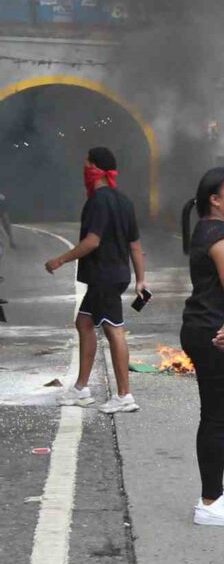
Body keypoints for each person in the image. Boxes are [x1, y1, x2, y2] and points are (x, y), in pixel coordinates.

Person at [48, 147, 144, 413]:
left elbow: (92, 241)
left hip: (104, 275)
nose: (84, 171)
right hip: (116, 275)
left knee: (114, 330)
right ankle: (81, 389)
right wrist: (140, 280)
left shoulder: (97, 201)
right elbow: (135, 245)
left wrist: (60, 259)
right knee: (84, 322)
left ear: (94, 169)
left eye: (86, 165)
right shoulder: (125, 201)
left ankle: (124, 395)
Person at [180, 167, 224, 527]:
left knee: (216, 415)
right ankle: (210, 500)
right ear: (215, 199)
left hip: (201, 328)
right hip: (215, 333)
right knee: (219, 417)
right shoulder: (221, 236)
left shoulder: (208, 230)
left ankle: (215, 494)